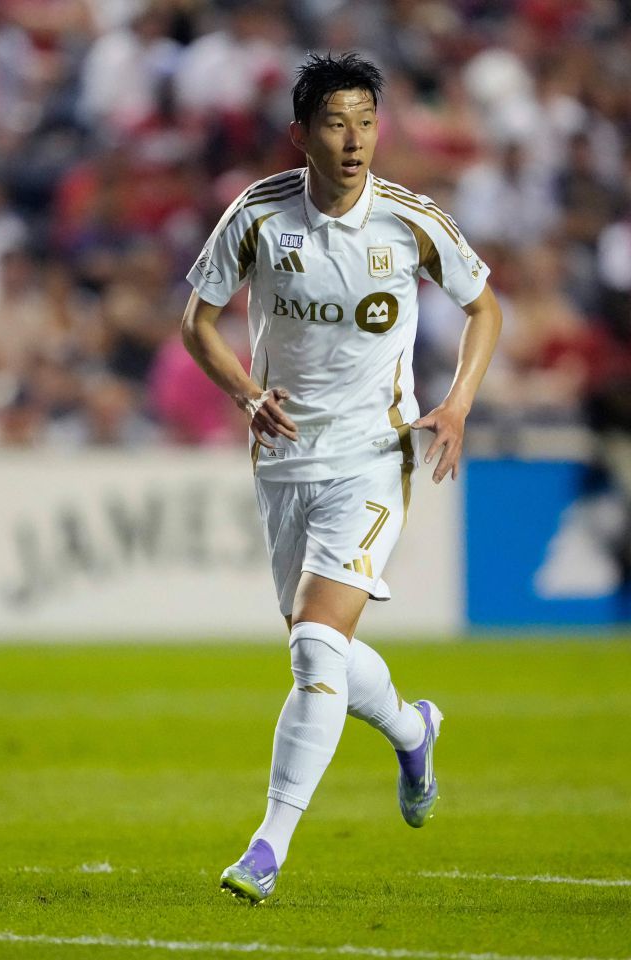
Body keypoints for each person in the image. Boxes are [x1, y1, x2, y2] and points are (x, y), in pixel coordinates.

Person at [182, 52, 501, 903]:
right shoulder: (258, 214)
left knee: (316, 648)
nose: (354, 139)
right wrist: (246, 395)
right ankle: (412, 729)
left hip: (373, 454)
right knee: (320, 647)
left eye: (365, 121)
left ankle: (267, 847)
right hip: (284, 457)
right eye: (335, 122)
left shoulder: (410, 221)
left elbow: (483, 307)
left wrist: (458, 404)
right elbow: (197, 322)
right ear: (301, 134)